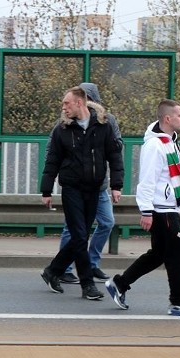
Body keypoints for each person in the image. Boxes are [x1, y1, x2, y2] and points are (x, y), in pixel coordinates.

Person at [105, 99, 180, 317]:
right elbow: (147, 181)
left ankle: (119, 284)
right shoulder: (154, 146)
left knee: (158, 254)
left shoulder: (170, 142)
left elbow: (174, 175)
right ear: (168, 118)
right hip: (162, 210)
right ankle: (178, 304)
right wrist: (146, 211)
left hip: (169, 207)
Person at [40, 86, 123, 300]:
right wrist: (46, 190)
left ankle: (52, 271)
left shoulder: (103, 126)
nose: (63, 108)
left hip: (94, 189)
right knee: (79, 234)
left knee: (81, 235)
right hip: (71, 189)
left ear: (79, 103)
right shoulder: (62, 130)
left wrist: (116, 185)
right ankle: (87, 285)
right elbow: (52, 161)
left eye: (66, 103)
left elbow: (114, 156)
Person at [59, 82, 122, 284]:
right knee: (73, 229)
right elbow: (55, 151)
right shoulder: (67, 121)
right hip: (76, 186)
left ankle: (92, 264)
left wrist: (115, 185)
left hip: (98, 185)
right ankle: (65, 268)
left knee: (107, 222)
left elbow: (116, 148)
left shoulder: (107, 120)